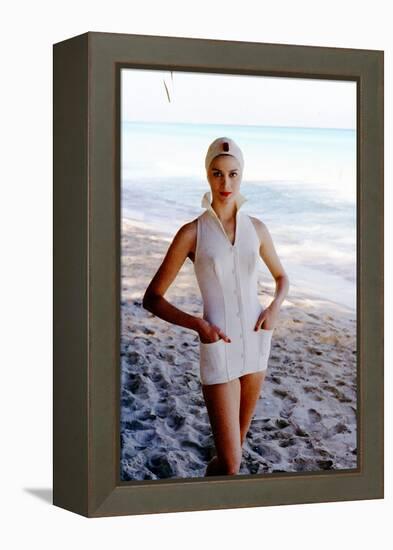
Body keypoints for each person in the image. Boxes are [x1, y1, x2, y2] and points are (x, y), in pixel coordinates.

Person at [142, 137, 289, 477]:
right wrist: (199, 325)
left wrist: (274, 308)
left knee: (230, 455)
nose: (226, 183)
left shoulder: (258, 229)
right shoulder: (192, 233)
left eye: (233, 174)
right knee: (233, 463)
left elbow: (282, 277)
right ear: (207, 175)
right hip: (217, 346)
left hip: (256, 342)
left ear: (242, 175)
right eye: (218, 174)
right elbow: (152, 297)